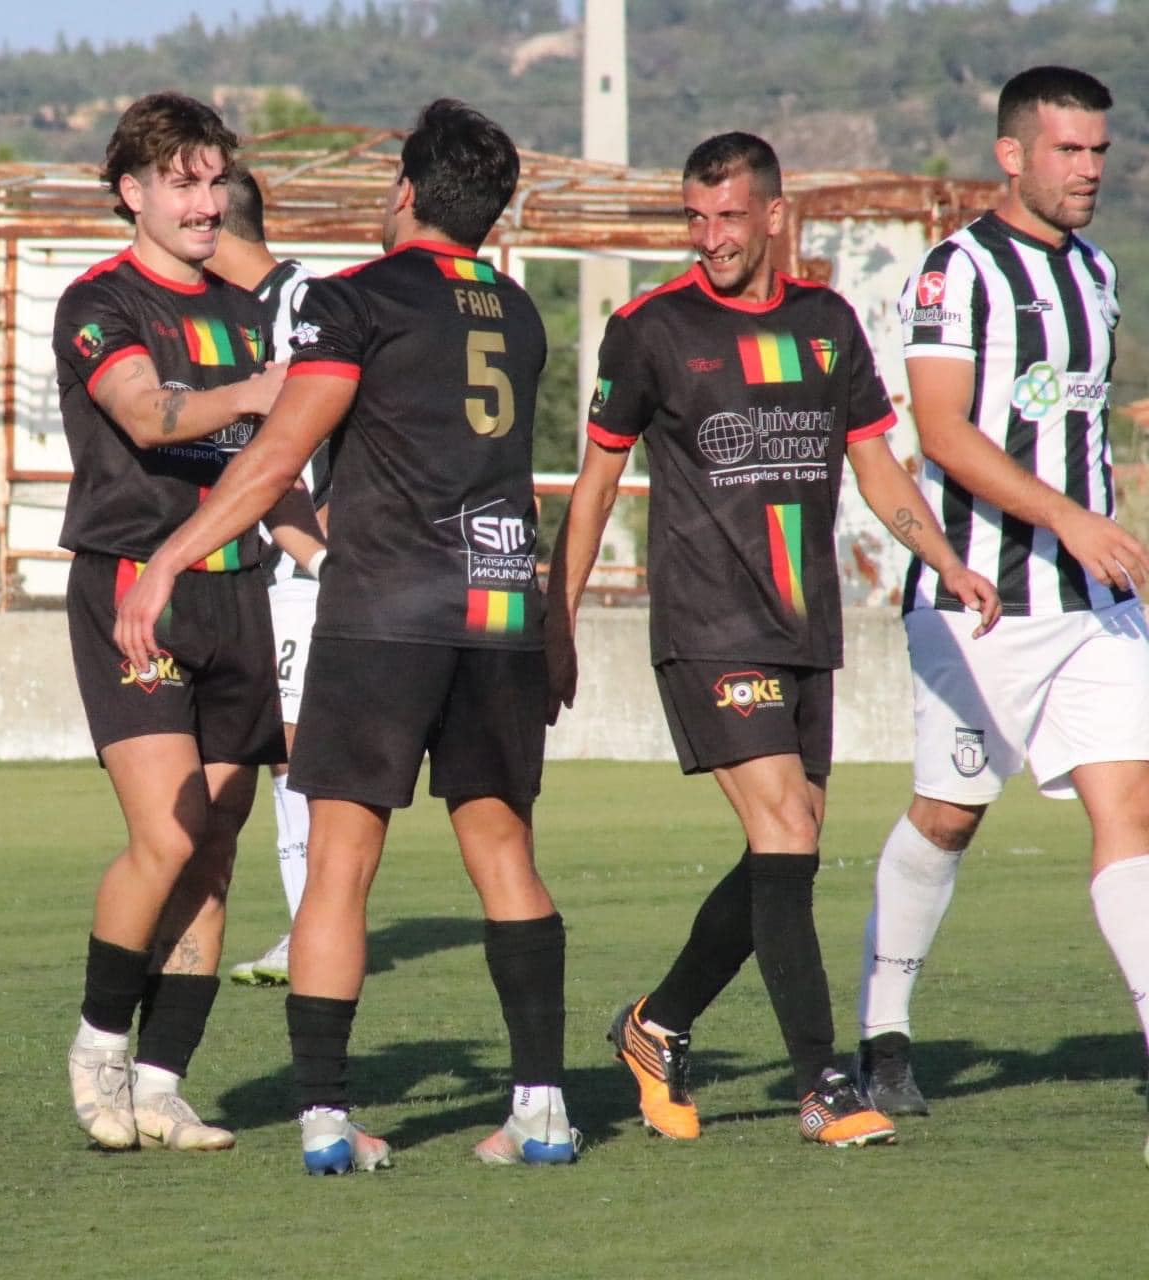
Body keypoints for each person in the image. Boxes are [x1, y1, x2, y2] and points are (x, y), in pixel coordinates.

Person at [119, 98, 581, 1173]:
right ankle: (543, 1107)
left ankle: (327, 1116)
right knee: (506, 856)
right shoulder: (518, 313)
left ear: (408, 193)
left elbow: (279, 456)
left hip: (388, 613)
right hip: (502, 609)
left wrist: (174, 557)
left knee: (338, 862)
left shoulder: (353, 299)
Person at [549, 131, 999, 1149]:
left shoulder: (829, 322)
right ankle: (823, 1083)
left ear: (774, 216)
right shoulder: (650, 329)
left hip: (807, 630)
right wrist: (557, 619)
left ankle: (654, 1023)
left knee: (780, 851)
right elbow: (593, 486)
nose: (709, 238)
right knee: (787, 830)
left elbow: (879, 469)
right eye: (694, 219)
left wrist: (947, 556)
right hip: (709, 627)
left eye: (729, 218)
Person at [852, 67, 1149, 1150]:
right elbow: (942, 429)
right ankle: (884, 1029)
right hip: (981, 602)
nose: (1090, 170)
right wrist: (1070, 519)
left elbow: (1067, 419)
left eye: (1101, 151)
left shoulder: (1103, 271)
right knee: (948, 815)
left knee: (1135, 811)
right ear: (1014, 154)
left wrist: (1101, 524)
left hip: (1096, 607)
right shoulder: (955, 271)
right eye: (1070, 150)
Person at [54, 92, 299, 1152]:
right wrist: (263, 391)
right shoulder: (100, 301)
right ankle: (99, 1043)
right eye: (183, 184)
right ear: (134, 193)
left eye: (213, 183)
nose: (204, 204)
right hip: (132, 583)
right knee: (165, 830)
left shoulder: (248, 312)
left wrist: (332, 554)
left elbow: (272, 479)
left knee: (216, 847)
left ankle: (160, 1084)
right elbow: (152, 412)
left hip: (237, 589)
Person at [206, 169, 327, 988]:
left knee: (295, 756)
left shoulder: (308, 305)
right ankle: (305, 924)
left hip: (305, 568)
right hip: (253, 571)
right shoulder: (229, 317)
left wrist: (327, 547)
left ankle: (312, 926)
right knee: (278, 758)